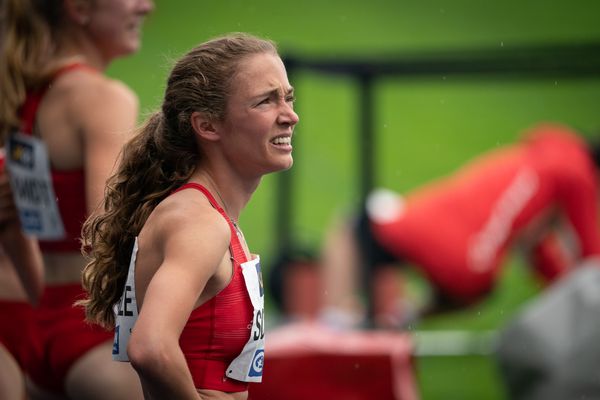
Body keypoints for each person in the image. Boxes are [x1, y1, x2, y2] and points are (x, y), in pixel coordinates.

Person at [78, 33, 298, 399]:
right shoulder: (198, 222)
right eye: (265, 102)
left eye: (287, 97)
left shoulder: (208, 215)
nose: (290, 115)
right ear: (208, 126)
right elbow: (150, 348)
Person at [0, 0, 154, 398]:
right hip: (87, 324)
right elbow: (108, 231)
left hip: (25, 317)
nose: (147, 6)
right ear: (80, 9)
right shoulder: (102, 98)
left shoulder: (17, 93)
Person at [319, 123, 600, 329]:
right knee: (387, 238)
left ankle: (337, 320)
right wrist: (574, 303)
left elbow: (589, 261)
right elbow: (568, 256)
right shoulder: (573, 171)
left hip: (445, 241)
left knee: (353, 224)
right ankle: (397, 318)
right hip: (476, 277)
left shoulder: (555, 161)